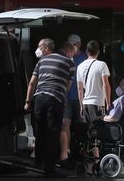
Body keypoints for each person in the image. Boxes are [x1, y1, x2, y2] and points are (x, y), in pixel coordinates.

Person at [24, 41, 76, 175]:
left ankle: (38, 161)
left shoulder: (41, 61)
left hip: (39, 98)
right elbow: (67, 86)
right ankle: (49, 167)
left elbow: (31, 83)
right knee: (52, 133)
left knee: (40, 130)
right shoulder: (69, 63)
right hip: (55, 99)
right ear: (67, 51)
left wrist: (27, 102)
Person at [76, 40, 111, 162]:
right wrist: (108, 102)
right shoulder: (101, 65)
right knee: (98, 132)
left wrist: (81, 105)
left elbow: (80, 89)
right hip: (97, 103)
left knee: (89, 131)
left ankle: (90, 157)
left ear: (87, 52)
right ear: (98, 52)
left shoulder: (80, 66)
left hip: (85, 103)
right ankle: (97, 159)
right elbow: (106, 85)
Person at [59, 34, 87, 161]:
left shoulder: (85, 58)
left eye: (74, 44)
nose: (72, 47)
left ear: (79, 45)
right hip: (67, 97)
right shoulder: (65, 57)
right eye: (70, 44)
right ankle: (66, 150)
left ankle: (81, 152)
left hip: (82, 97)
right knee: (65, 124)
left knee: (82, 126)